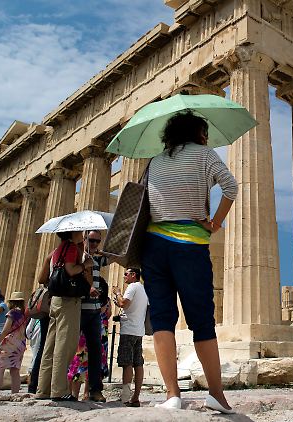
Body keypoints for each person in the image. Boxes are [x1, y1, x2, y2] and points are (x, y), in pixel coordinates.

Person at [141, 111, 237, 413]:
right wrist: (215, 223)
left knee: (162, 319)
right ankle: (216, 394)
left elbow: (143, 199)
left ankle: (172, 394)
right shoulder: (205, 155)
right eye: (205, 132)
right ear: (199, 134)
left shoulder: (153, 162)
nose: (207, 138)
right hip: (190, 246)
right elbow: (231, 188)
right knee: (201, 320)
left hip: (153, 246)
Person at [35, 230, 93, 401]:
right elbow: (70, 269)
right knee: (65, 345)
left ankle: (43, 389)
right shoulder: (71, 248)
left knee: (50, 347)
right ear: (73, 233)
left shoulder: (55, 251)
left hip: (55, 301)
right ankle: (58, 390)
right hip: (69, 301)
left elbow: (41, 278)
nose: (82, 236)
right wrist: (85, 264)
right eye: (80, 233)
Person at [73, 230, 121, 402]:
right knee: (72, 350)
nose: (94, 244)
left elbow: (117, 256)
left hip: (94, 310)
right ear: (84, 238)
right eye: (91, 240)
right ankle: (62, 388)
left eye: (97, 241)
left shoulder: (96, 258)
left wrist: (103, 251)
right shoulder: (77, 255)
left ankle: (95, 390)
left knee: (95, 350)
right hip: (77, 308)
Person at [113, 268, 148, 407]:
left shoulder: (132, 287)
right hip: (139, 330)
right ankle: (136, 397)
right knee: (138, 364)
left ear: (134, 275)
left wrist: (118, 293)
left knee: (127, 363)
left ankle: (126, 397)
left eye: (126, 274)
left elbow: (123, 303)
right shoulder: (143, 289)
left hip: (128, 330)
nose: (124, 277)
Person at [68, 293, 111, 401]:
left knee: (79, 363)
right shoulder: (105, 300)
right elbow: (108, 314)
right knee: (93, 362)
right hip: (100, 333)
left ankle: (73, 393)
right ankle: (88, 393)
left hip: (84, 333)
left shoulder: (87, 297)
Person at [0, 292, 27, 394]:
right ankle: (15, 394)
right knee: (15, 370)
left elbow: (5, 330)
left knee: (0, 368)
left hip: (10, 343)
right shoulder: (24, 314)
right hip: (21, 343)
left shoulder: (12, 313)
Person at [25, 316, 43, 393]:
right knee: (37, 359)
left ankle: (31, 387)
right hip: (39, 332)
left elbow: (28, 331)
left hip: (35, 333)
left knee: (35, 359)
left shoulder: (36, 316)